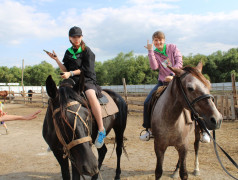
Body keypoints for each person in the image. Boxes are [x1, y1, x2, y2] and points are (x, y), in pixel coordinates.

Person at [139, 31, 210, 143]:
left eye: (160, 39)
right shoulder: (155, 52)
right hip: (163, 82)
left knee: (192, 99)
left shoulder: (172, 48)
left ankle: (204, 129)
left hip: (177, 80)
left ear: (164, 40)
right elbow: (154, 67)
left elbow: (179, 62)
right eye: (155, 40)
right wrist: (150, 51)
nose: (158, 42)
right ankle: (148, 129)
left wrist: (172, 75)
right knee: (147, 102)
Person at [45, 26, 106, 149]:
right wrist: (56, 59)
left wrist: (70, 73)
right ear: (70, 38)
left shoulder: (87, 51)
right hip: (73, 81)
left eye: (78, 36)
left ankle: (101, 130)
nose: (76, 39)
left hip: (87, 80)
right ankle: (57, 133)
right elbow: (65, 69)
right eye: (74, 37)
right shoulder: (68, 52)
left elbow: (86, 70)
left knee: (90, 95)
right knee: (58, 97)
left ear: (82, 37)